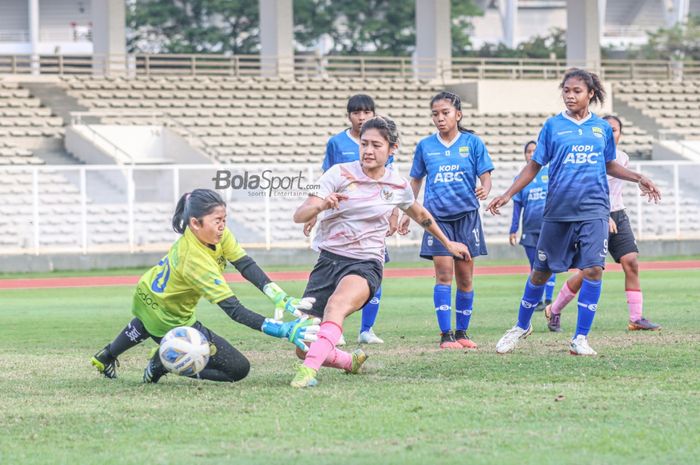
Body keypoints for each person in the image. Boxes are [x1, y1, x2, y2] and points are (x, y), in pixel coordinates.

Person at [487, 68, 661, 356]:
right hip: (558, 212)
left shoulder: (601, 129)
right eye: (566, 90)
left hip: (594, 210)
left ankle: (580, 338)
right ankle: (521, 326)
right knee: (540, 274)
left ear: (590, 93)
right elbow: (534, 165)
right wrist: (508, 194)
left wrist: (639, 177)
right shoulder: (553, 126)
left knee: (593, 269)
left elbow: (609, 164)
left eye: (576, 91)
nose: (570, 95)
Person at [290, 115, 470, 388]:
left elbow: (420, 213)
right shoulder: (337, 173)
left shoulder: (397, 185)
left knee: (336, 306)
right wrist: (321, 206)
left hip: (365, 263)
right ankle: (349, 361)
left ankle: (307, 373)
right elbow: (299, 214)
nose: (368, 151)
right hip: (328, 261)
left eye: (376, 145)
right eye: (364, 144)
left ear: (392, 149)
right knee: (303, 344)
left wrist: (448, 243)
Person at [90, 189, 320, 383]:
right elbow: (235, 311)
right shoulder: (195, 260)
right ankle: (165, 360)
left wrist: (278, 296)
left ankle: (106, 356)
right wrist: (283, 330)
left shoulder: (215, 235)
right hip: (168, 316)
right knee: (238, 369)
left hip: (148, 294)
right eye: (217, 221)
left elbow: (244, 264)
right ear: (195, 223)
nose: (222, 226)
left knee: (147, 322)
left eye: (224, 220)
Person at [545, 115, 661, 332]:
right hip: (593, 215)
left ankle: (636, 318)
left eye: (615, 130)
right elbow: (587, 188)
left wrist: (640, 183)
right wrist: (602, 215)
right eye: (607, 129)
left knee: (631, 262)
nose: (611, 133)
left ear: (620, 134)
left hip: (618, 214)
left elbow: (617, 184)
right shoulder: (588, 156)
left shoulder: (623, 158)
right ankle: (554, 309)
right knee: (588, 270)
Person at [398, 91, 493, 350]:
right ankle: (446, 335)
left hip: (467, 218)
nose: (440, 118)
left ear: (458, 115)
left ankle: (462, 333)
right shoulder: (426, 146)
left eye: (445, 113)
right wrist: (407, 213)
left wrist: (485, 188)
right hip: (437, 219)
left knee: (465, 279)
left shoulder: (473, 143)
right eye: (435, 114)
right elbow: (415, 180)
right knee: (443, 275)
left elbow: (485, 175)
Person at [305, 94, 396, 345]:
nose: (362, 117)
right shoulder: (337, 143)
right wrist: (316, 211)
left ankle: (367, 329)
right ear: (349, 116)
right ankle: (335, 327)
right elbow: (325, 179)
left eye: (367, 112)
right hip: (339, 223)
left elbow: (393, 182)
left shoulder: (383, 141)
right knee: (334, 280)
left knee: (372, 273)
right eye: (357, 112)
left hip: (370, 220)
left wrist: (394, 214)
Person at [509, 140, 556, 312]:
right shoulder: (520, 178)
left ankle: (548, 300)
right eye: (528, 151)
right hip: (529, 229)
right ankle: (536, 300)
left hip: (549, 227)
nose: (531, 154)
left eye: (534, 151)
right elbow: (517, 206)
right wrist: (513, 229)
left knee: (550, 264)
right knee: (534, 266)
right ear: (524, 154)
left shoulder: (550, 172)